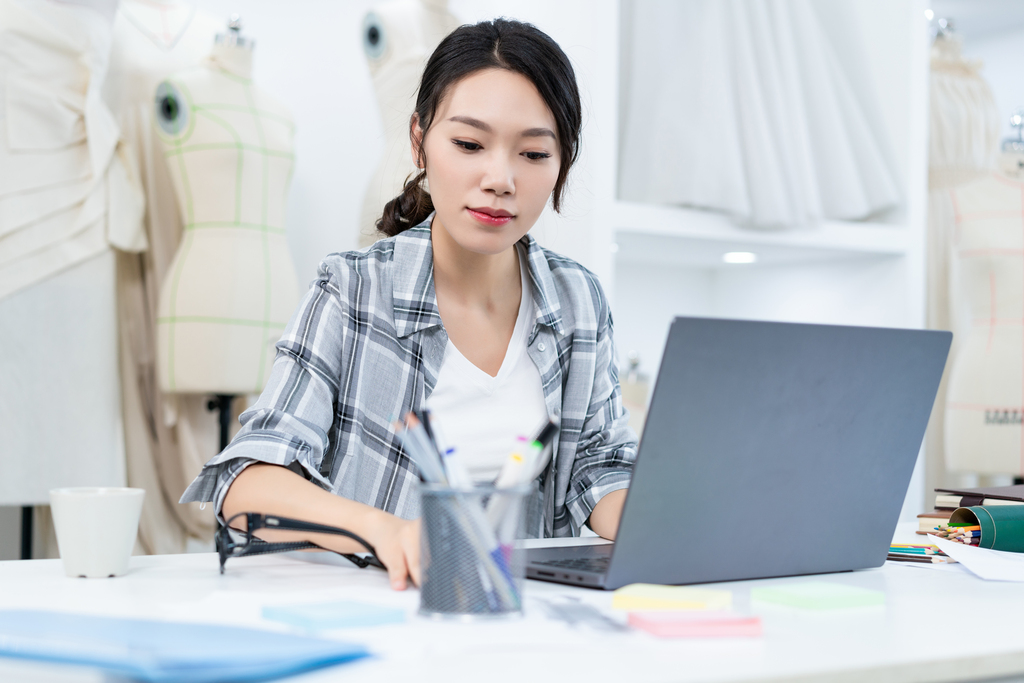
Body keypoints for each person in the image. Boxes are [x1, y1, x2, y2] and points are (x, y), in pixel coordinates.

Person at [180, 18, 636, 590]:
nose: (500, 178)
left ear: (560, 163)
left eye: (534, 154)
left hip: (520, 610)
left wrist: (665, 523)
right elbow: (246, 483)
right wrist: (385, 531)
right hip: (383, 609)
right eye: (469, 144)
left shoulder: (578, 300)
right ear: (420, 140)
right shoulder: (353, 290)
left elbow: (600, 467)